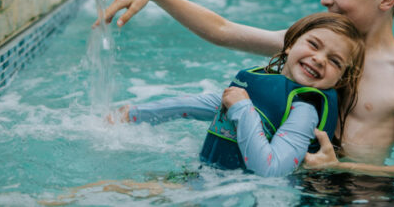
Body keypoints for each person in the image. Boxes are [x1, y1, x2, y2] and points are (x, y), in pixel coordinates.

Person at [103, 0, 394, 176]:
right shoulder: (309, 48)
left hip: (363, 196)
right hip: (292, 182)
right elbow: (222, 31)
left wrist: (340, 168)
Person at [114, 12, 365, 177]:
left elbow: (270, 170)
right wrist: (135, 114)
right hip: (212, 181)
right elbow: (201, 104)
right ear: (290, 44)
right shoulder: (260, 80)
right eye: (313, 44)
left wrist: (243, 110)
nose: (319, 59)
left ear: (341, 77)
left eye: (334, 61)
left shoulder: (304, 110)